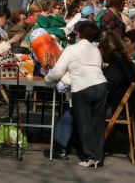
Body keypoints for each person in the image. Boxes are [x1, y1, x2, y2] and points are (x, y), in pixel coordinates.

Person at [45, 21, 107, 168]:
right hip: (101, 85)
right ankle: (97, 156)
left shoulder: (72, 49)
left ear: (79, 34)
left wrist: (47, 79)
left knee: (84, 122)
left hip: (83, 87)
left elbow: (58, 71)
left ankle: (89, 156)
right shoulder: (95, 49)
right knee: (97, 123)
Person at [99, 30, 135, 116]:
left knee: (77, 111)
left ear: (105, 50)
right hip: (126, 107)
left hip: (117, 110)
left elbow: (105, 88)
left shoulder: (117, 65)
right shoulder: (126, 61)